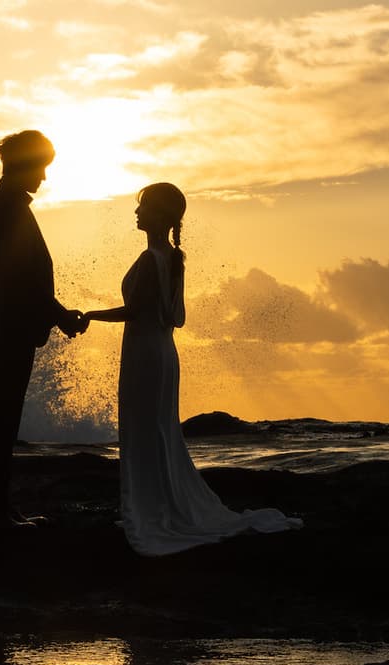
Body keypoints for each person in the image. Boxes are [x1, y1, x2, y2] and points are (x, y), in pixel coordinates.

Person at [83, 183, 303, 556]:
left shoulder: (151, 259)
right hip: (163, 352)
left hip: (145, 354)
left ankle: (154, 508)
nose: (136, 212)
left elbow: (134, 312)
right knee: (159, 430)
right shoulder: (173, 258)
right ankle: (159, 502)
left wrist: (89, 315)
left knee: (147, 429)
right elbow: (173, 317)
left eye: (144, 206)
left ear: (161, 215)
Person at [0, 129, 87, 533]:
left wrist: (55, 313)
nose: (43, 177)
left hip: (7, 324)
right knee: (3, 418)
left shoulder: (5, 203)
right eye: (40, 168)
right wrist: (60, 315)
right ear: (24, 164)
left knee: (3, 417)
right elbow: (20, 278)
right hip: (10, 325)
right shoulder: (6, 207)